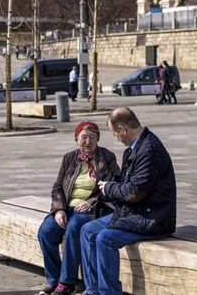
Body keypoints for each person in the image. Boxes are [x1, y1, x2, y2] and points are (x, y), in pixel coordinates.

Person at [80, 107, 177, 295]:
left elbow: (135, 192)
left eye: (114, 133)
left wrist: (109, 188)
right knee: (87, 230)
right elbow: (127, 186)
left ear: (122, 129)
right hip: (135, 213)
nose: (116, 138)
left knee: (105, 239)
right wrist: (107, 183)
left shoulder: (149, 150)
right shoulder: (133, 149)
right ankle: (92, 291)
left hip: (152, 219)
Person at [36, 121, 120, 295]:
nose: (88, 141)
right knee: (46, 231)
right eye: (84, 137)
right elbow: (58, 186)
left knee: (75, 227)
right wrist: (58, 209)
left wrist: (91, 201)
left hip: (93, 208)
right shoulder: (69, 158)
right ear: (76, 139)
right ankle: (54, 278)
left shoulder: (107, 157)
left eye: (92, 137)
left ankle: (67, 282)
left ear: (98, 139)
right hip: (67, 206)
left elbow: (114, 185)